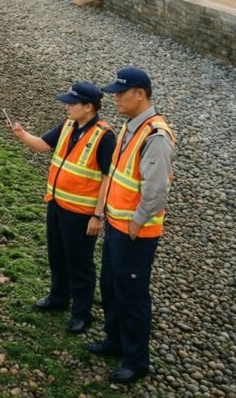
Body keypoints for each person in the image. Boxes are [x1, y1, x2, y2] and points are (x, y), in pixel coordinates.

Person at [86, 67, 176, 384]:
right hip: (116, 227)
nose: (115, 98)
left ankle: (136, 361)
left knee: (133, 296)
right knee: (111, 286)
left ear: (140, 94)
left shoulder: (155, 136)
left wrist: (136, 223)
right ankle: (115, 340)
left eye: (121, 93)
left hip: (134, 234)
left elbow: (156, 192)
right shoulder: (131, 126)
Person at [9, 82, 116, 334]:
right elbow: (43, 145)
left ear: (88, 107)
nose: (66, 106)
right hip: (56, 205)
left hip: (81, 214)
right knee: (57, 256)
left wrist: (98, 215)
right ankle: (58, 297)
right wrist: (21, 134)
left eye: (71, 103)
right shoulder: (68, 125)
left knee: (80, 264)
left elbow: (107, 179)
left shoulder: (104, 136)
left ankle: (82, 313)